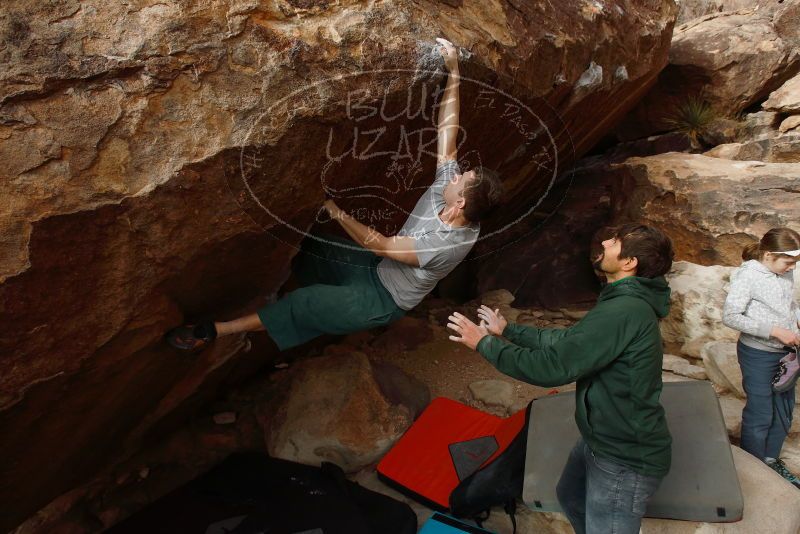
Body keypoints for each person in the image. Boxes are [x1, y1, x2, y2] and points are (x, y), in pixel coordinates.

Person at [166, 38, 503, 352]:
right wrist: (455, 73)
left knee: (305, 303)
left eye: (462, 178)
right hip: (377, 266)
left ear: (459, 203)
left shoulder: (447, 243)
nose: (456, 173)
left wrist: (335, 209)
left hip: (383, 299)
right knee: (313, 245)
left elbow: (382, 244)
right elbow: (447, 134)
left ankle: (214, 332)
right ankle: (275, 307)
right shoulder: (453, 195)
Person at [447, 223, 675, 534]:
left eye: (616, 241)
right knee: (571, 495)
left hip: (623, 457)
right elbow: (571, 342)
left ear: (629, 262)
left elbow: (552, 367)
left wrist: (485, 344)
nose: (606, 241)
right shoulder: (621, 302)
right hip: (602, 440)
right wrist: (509, 331)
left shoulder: (625, 310)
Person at [722, 227, 800, 487]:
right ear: (768, 255)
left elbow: (789, 304)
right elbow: (731, 316)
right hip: (758, 353)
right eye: (788, 262)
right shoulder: (748, 276)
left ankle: (770, 460)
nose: (792, 268)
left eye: (795, 263)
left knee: (784, 411)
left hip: (787, 353)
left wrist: (796, 322)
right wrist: (774, 331)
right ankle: (753, 472)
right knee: (761, 412)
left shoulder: (785, 272)